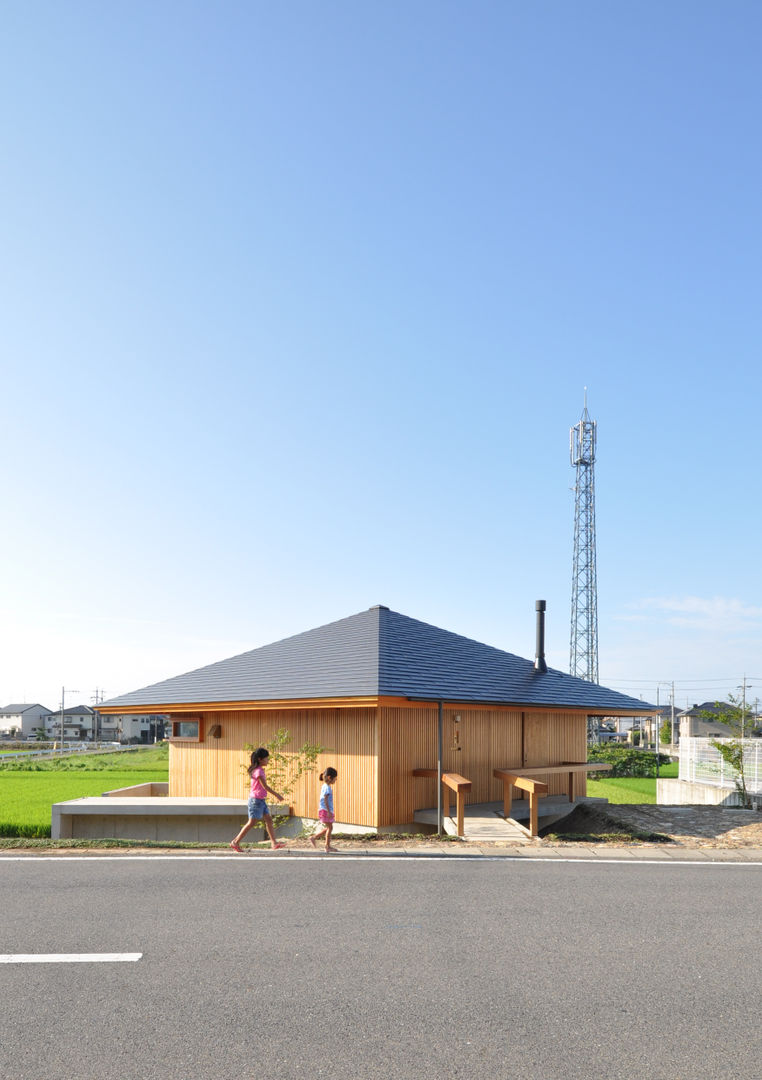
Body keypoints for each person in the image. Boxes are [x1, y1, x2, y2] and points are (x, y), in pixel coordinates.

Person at [230, 748, 285, 852]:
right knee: (251, 822)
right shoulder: (258, 771)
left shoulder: (259, 770)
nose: (268, 760)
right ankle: (235, 842)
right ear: (260, 759)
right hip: (256, 801)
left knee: (268, 820)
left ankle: (274, 843)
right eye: (266, 758)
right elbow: (265, 787)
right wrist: (277, 795)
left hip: (260, 800)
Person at [309, 767, 339, 852]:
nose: (335, 780)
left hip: (324, 810)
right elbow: (325, 799)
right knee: (330, 828)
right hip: (325, 810)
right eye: (335, 778)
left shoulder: (325, 786)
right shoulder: (327, 787)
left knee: (329, 827)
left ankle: (314, 838)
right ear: (330, 777)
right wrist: (329, 811)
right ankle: (327, 846)